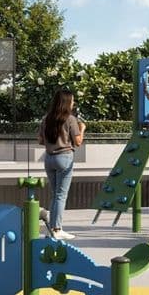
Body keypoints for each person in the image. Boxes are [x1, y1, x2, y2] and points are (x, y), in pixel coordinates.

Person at [38, 89, 85, 241]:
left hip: (49, 159)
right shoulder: (70, 119)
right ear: (67, 102)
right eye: (72, 100)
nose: (73, 103)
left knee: (55, 194)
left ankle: (52, 228)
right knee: (60, 195)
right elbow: (78, 142)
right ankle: (57, 229)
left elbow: (40, 141)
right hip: (64, 158)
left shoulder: (46, 119)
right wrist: (82, 129)